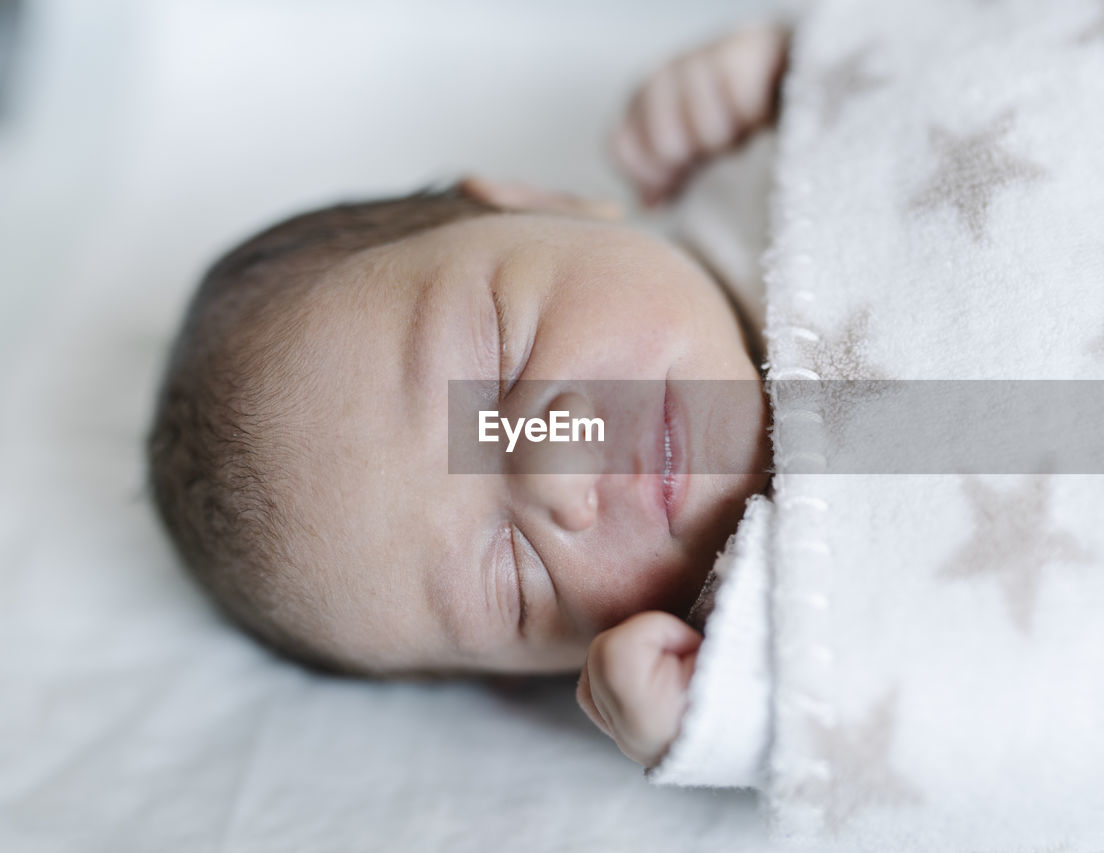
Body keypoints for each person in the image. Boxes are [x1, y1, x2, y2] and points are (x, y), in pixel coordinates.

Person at [146, 22, 791, 769]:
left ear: (540, 204)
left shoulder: (755, 156)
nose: (561, 466)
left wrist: (788, 68)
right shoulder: (777, 638)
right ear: (548, 676)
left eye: (504, 348)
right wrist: (725, 723)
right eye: (516, 582)